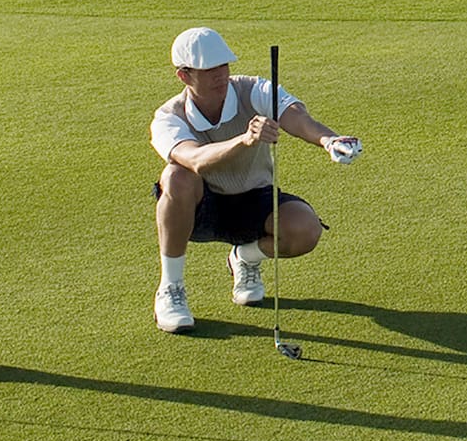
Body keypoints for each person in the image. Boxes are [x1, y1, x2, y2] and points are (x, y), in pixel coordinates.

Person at [148, 27, 360, 332]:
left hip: (253, 200)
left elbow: (295, 116)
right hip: (199, 210)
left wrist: (328, 140)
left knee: (305, 229)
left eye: (223, 65)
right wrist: (245, 139)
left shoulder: (253, 89)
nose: (220, 75)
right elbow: (194, 159)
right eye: (208, 70)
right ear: (184, 76)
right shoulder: (169, 116)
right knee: (177, 176)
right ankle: (171, 289)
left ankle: (244, 258)